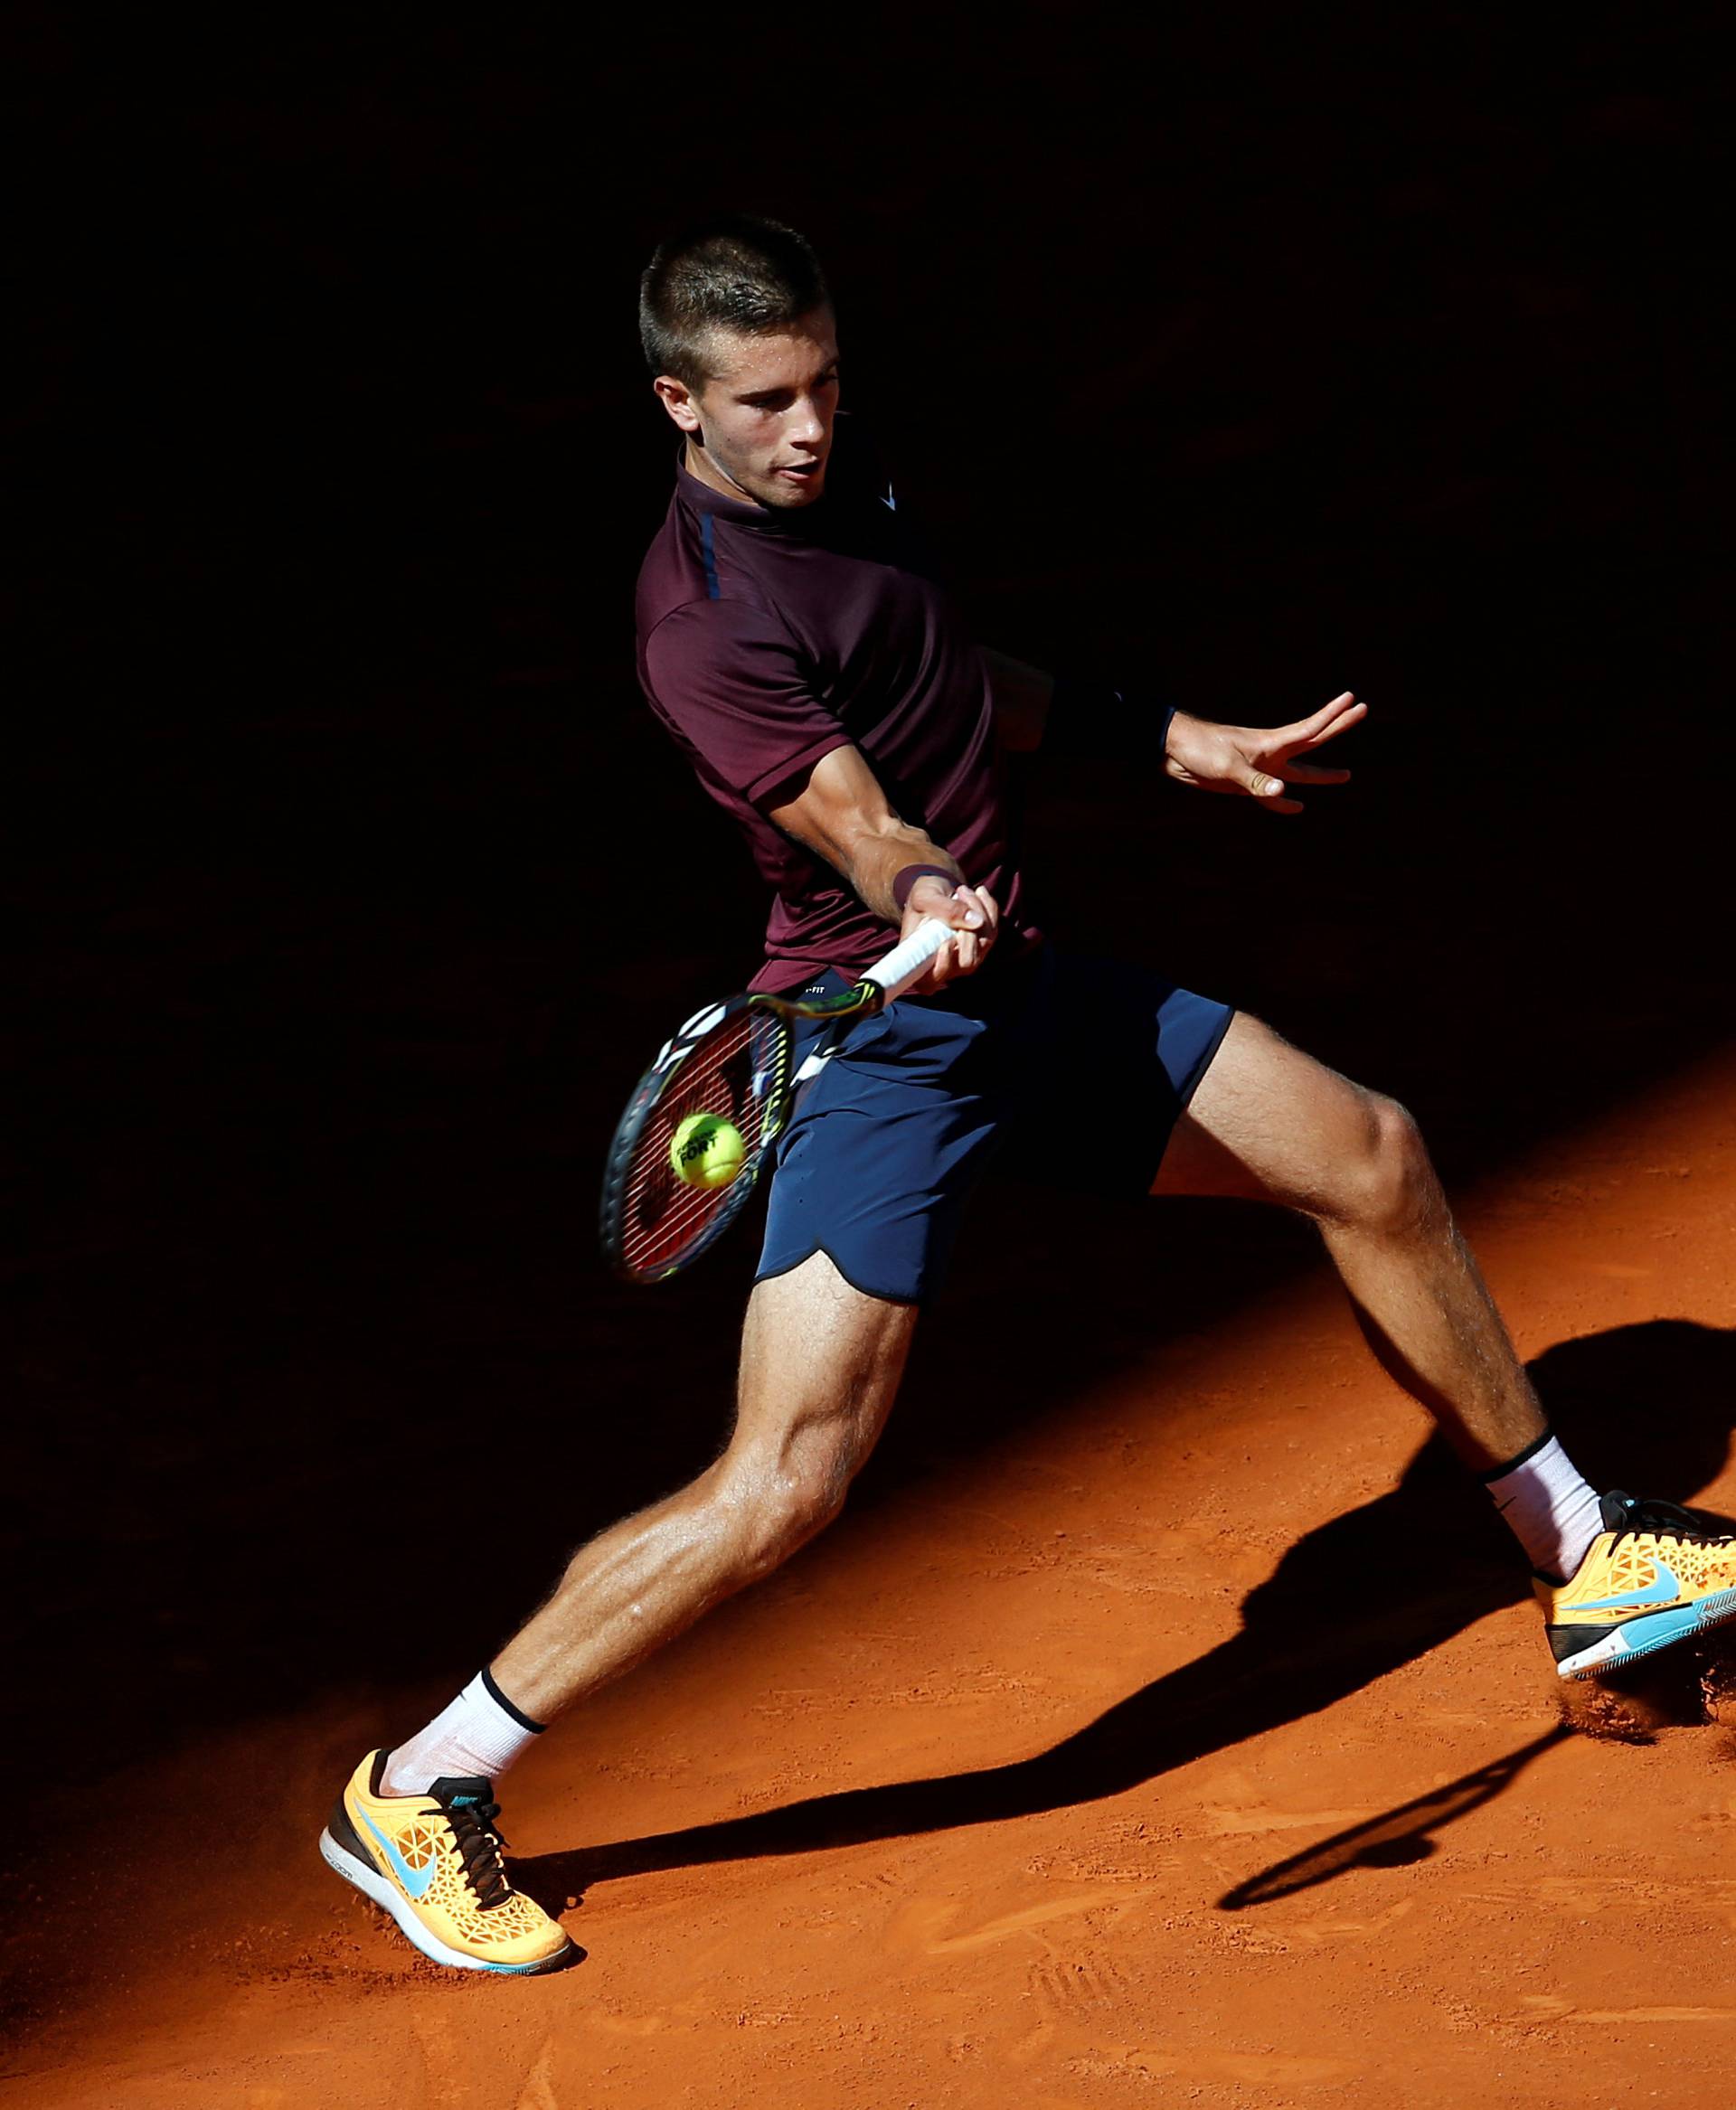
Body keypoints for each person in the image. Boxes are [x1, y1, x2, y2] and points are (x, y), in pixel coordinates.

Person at [318, 214, 1736, 1975]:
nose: (810, 426)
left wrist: (1164, 735)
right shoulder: (702, 623)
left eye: (827, 381)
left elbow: (947, 680)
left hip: (1021, 996)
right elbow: (847, 803)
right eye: (765, 401)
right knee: (786, 1482)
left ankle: (1586, 1552)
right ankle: (426, 1780)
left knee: (1369, 1154)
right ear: (679, 404)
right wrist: (917, 885)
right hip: (885, 1046)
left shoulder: (851, 493)